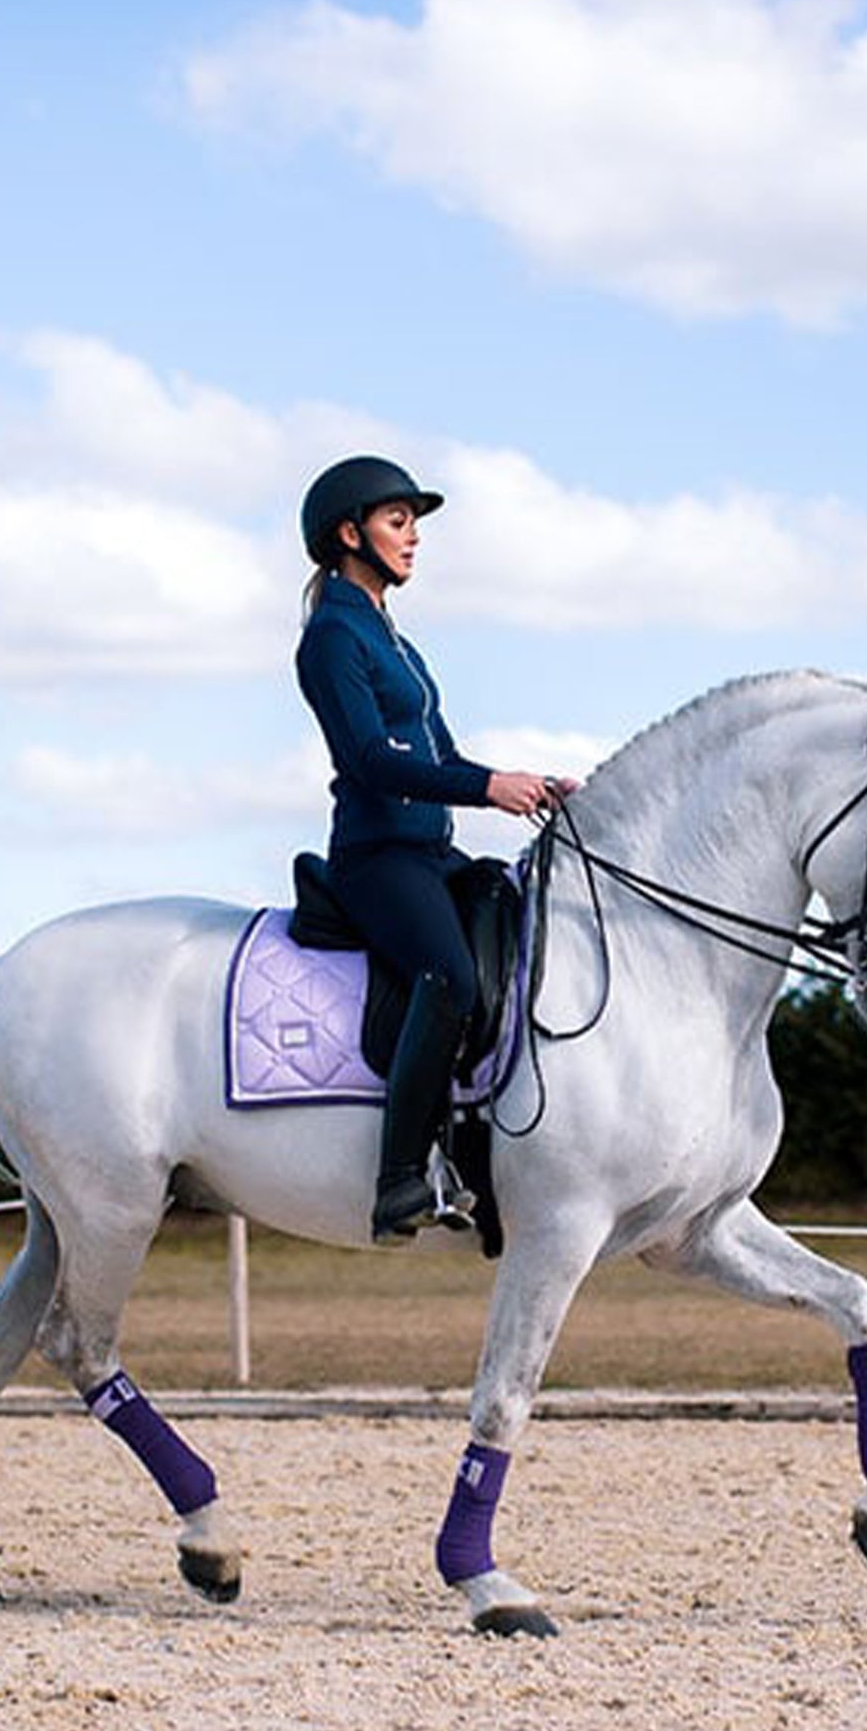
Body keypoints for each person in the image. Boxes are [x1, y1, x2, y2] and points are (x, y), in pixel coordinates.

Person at [295, 454, 577, 1244]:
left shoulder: (400, 644)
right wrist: (489, 788)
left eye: (414, 522)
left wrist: (535, 785)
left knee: (512, 929)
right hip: (377, 859)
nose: (414, 536)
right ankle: (398, 1179)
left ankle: (484, 1157)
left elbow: (442, 761)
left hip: (430, 852)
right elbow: (368, 762)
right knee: (446, 975)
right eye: (397, 521)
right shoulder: (331, 637)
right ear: (350, 534)